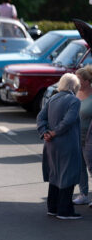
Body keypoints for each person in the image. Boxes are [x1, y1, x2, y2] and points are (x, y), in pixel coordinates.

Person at [37, 73, 82, 220]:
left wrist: (45, 132)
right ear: (75, 86)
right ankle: (65, 211)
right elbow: (68, 121)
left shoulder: (52, 98)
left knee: (54, 174)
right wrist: (54, 132)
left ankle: (53, 207)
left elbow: (40, 117)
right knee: (68, 175)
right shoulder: (74, 100)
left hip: (51, 144)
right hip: (67, 143)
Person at [72, 65, 92, 205]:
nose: (76, 82)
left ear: (87, 81)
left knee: (91, 167)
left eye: (78, 79)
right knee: (79, 167)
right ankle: (83, 194)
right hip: (75, 137)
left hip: (90, 139)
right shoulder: (74, 94)